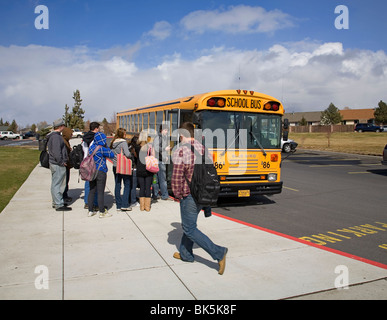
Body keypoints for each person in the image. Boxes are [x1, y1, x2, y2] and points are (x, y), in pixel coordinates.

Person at [171, 122, 227, 275]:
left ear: (182, 134)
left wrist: (177, 194)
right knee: (190, 225)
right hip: (202, 193)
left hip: (189, 194)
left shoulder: (181, 150)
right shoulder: (203, 148)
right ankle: (186, 254)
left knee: (189, 228)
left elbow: (176, 176)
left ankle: (218, 252)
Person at [87, 132, 114, 218]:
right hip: (101, 170)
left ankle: (90, 210)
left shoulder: (91, 148)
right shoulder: (102, 148)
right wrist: (106, 146)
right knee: (100, 192)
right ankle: (102, 211)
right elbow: (111, 155)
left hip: (91, 171)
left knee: (92, 190)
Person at [47, 119, 72, 211]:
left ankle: (57, 201)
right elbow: (57, 152)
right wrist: (61, 161)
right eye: (63, 125)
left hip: (55, 163)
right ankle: (58, 203)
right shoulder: (56, 137)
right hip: (57, 164)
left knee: (56, 183)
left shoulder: (53, 136)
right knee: (58, 183)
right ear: (60, 126)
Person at [110, 128, 133, 212]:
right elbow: (127, 154)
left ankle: (118, 205)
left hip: (115, 165)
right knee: (127, 184)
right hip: (123, 166)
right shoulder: (123, 142)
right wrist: (130, 154)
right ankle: (125, 204)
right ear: (122, 134)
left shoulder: (113, 142)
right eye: (125, 133)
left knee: (117, 184)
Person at [82, 122, 100, 210]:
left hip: (86, 161)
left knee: (87, 182)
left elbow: (83, 149)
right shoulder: (96, 138)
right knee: (95, 183)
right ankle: (95, 203)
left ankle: (87, 201)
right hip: (94, 162)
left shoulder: (85, 138)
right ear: (96, 128)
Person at [135, 131, 154, 212]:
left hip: (139, 169)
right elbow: (153, 157)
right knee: (148, 188)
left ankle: (142, 207)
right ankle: (147, 207)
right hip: (148, 169)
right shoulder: (149, 147)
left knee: (142, 188)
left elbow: (135, 158)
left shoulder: (136, 147)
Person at [152, 123, 172, 201]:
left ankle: (155, 195)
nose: (167, 132)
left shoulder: (161, 137)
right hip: (159, 161)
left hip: (159, 160)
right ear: (161, 130)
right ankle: (165, 195)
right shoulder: (158, 138)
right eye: (165, 130)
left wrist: (166, 156)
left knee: (155, 179)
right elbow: (157, 148)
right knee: (162, 179)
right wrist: (165, 149)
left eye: (167, 130)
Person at [62, 126, 73, 203]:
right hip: (64, 164)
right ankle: (64, 196)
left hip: (67, 164)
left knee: (66, 180)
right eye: (70, 134)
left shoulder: (66, 141)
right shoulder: (63, 142)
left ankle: (65, 194)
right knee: (64, 181)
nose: (71, 135)